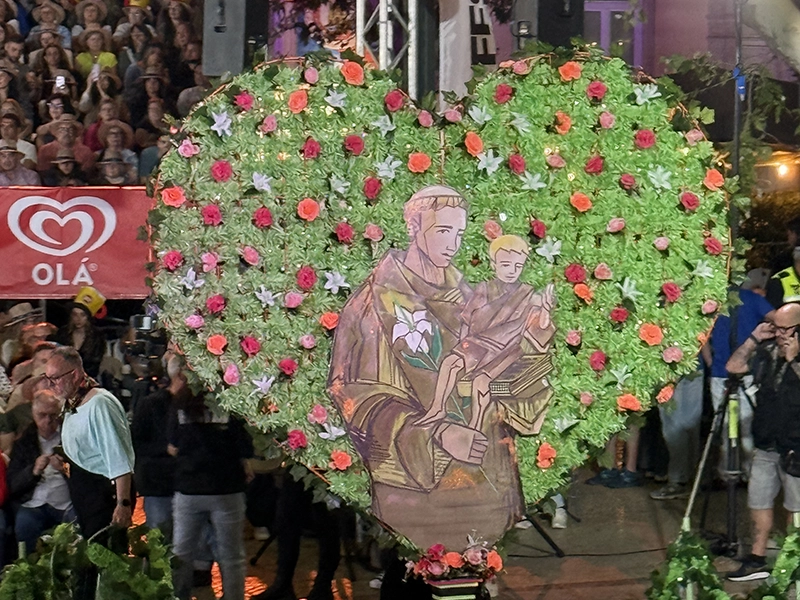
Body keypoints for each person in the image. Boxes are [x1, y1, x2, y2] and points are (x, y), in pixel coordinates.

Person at [328, 185, 527, 551]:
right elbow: (357, 393)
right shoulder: (376, 301)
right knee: (417, 569)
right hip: (416, 486)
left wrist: (510, 394)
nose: (452, 244)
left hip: (485, 477)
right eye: (443, 231)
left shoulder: (469, 300)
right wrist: (439, 433)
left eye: (459, 234)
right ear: (414, 227)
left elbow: (490, 380)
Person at [417, 234, 555, 431]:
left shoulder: (527, 294)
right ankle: (437, 409)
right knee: (449, 363)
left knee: (481, 382)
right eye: (506, 265)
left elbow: (541, 328)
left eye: (517, 266)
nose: (512, 271)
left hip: (506, 350)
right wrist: (461, 347)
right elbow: (468, 319)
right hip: (477, 344)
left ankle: (475, 426)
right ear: (493, 264)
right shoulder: (483, 288)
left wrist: (546, 309)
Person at [43, 346, 134, 598]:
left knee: (104, 569)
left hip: (104, 497)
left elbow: (118, 457)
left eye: (55, 378)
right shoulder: (73, 402)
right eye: (47, 378)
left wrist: (123, 503)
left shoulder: (99, 404)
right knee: (88, 568)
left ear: (74, 374)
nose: (51, 385)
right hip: (85, 495)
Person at [168, 355, 253, 600]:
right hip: (227, 488)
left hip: (189, 488)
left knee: (182, 552)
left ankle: (178, 596)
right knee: (231, 555)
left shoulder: (180, 403)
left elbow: (172, 447)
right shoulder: (230, 402)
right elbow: (245, 447)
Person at [725, 304, 800, 581]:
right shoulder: (767, 351)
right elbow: (733, 367)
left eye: (785, 329)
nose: (779, 334)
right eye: (775, 327)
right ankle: (757, 558)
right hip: (766, 440)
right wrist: (754, 338)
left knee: (796, 506)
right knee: (758, 500)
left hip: (795, 443)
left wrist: (793, 360)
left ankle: (793, 560)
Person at [706, 268, 775, 481]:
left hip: (721, 372)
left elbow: (702, 337)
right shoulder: (753, 299)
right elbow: (778, 319)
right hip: (746, 371)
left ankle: (728, 473)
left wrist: (710, 363)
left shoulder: (712, 303)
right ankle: (749, 473)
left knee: (726, 426)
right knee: (746, 427)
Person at [7, 389, 75, 554]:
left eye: (53, 416)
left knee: (74, 530)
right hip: (33, 503)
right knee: (25, 525)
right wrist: (34, 471)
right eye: (42, 415)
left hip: (66, 503)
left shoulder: (70, 437)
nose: (47, 421)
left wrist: (65, 469)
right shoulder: (24, 441)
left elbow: (86, 479)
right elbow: (13, 485)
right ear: (33, 414)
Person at [130, 352, 178, 536]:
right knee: (160, 539)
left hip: (188, 483)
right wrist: (165, 448)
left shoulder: (193, 405)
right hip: (158, 483)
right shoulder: (151, 404)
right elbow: (136, 443)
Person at [52, 287, 106, 378]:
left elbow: (94, 366)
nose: (78, 319)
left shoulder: (97, 337)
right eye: (75, 314)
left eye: (82, 315)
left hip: (88, 379)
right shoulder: (62, 333)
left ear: (88, 318)